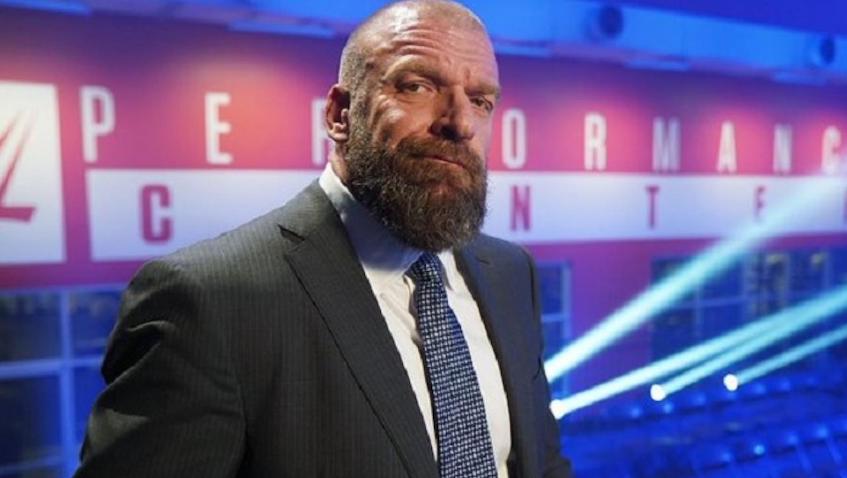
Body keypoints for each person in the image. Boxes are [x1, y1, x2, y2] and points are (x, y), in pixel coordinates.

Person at [74, 1, 572, 477]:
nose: (460, 123)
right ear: (339, 114)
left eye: (481, 101)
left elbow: (540, 463)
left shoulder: (510, 274)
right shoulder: (210, 301)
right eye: (417, 86)